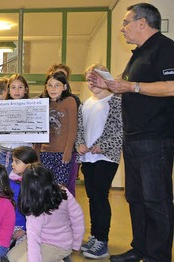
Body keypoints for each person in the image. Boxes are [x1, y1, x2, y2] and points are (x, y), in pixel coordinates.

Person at [87, 4, 174, 260]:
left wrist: (132, 86)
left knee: (156, 200)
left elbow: (171, 86)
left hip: (155, 138)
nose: (122, 29)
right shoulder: (138, 54)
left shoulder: (165, 48)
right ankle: (140, 249)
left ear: (142, 22)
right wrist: (111, 85)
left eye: (125, 23)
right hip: (134, 137)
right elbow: (130, 87)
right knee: (135, 198)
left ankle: (158, 255)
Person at [76, 64, 123, 259]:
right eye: (89, 79)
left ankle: (102, 241)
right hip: (88, 158)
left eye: (96, 78)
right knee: (93, 198)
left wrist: (103, 146)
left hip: (105, 158)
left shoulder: (116, 101)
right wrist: (79, 144)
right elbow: (80, 129)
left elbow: (120, 130)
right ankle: (95, 236)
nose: (92, 83)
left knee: (100, 198)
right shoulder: (85, 104)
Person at [7, 163, 85, 262]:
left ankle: (61, 258)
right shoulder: (62, 191)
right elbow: (78, 217)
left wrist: (76, 243)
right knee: (10, 257)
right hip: (42, 240)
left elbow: (33, 242)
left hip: (59, 245)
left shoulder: (34, 211)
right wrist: (77, 243)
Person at [35, 71, 78, 194]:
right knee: (45, 187)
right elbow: (38, 129)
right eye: (50, 85)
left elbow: (72, 128)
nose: (53, 89)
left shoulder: (70, 101)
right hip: (45, 152)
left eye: (57, 85)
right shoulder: (42, 102)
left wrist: (68, 151)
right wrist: (37, 153)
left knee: (59, 188)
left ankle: (60, 213)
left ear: (64, 87)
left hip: (62, 153)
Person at [9, 146, 39, 246]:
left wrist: (24, 230)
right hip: (9, 224)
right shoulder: (9, 181)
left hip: (25, 227)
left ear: (28, 166)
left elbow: (37, 212)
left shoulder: (35, 185)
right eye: (13, 161)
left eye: (16, 162)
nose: (12, 164)